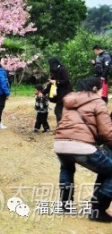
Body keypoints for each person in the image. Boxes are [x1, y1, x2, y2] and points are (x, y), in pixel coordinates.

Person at [54, 77, 112, 222]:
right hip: (81, 146)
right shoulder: (98, 102)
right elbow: (107, 132)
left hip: (60, 143)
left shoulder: (69, 100)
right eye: (101, 89)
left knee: (67, 168)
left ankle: (65, 204)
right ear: (95, 89)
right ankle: (98, 209)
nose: (102, 92)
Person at [48, 57, 72, 123]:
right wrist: (43, 92)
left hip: (65, 94)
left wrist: (56, 82)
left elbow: (66, 81)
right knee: (59, 111)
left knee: (58, 111)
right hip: (60, 95)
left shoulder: (63, 69)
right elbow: (50, 85)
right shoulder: (55, 71)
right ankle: (62, 127)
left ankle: (62, 127)